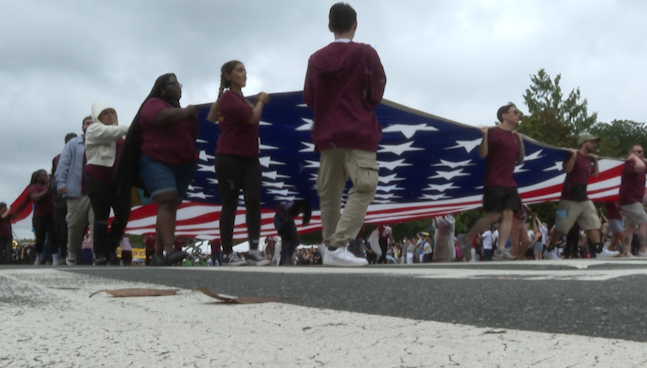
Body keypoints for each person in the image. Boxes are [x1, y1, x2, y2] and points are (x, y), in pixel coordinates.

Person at [304, 3, 386, 267]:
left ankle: (330, 245)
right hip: (358, 130)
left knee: (329, 192)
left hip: (327, 133)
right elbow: (375, 94)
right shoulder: (366, 53)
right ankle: (337, 245)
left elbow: (309, 98)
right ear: (355, 24)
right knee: (365, 185)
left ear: (329, 26)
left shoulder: (316, 59)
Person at [126, 73, 196, 266]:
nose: (179, 87)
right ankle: (170, 250)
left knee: (170, 205)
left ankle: (157, 254)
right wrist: (189, 112)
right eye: (174, 84)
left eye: (180, 84)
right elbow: (161, 118)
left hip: (183, 165)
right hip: (157, 161)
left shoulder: (180, 110)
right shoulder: (154, 104)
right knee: (167, 200)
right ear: (162, 89)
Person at [207, 60, 270, 267]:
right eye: (239, 70)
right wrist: (261, 100)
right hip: (229, 159)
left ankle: (253, 250)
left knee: (253, 201)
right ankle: (226, 252)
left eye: (245, 70)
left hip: (250, 159)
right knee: (230, 203)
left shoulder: (241, 100)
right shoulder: (228, 98)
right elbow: (252, 118)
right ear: (228, 75)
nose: (244, 74)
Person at [458, 103, 524, 261]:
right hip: (494, 181)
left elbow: (520, 159)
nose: (518, 115)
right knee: (494, 215)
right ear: (504, 116)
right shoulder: (494, 132)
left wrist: (520, 141)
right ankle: (466, 239)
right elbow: (483, 154)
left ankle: (500, 250)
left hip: (510, 182)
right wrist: (485, 136)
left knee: (509, 214)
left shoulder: (515, 137)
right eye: (515, 112)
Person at [85, 102, 131, 265]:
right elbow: (108, 133)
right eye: (105, 113)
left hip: (118, 179)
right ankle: (100, 253)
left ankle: (112, 246)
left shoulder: (121, 135)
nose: (110, 115)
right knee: (101, 217)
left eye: (112, 112)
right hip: (98, 177)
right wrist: (132, 127)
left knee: (124, 213)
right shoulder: (93, 130)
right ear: (97, 116)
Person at [546, 134, 603, 257]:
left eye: (595, 142)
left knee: (593, 221)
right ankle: (550, 248)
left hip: (583, 198)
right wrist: (573, 156)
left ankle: (599, 250)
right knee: (561, 227)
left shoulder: (587, 160)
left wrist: (596, 161)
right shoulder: (573, 155)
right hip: (568, 198)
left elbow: (596, 174)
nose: (594, 145)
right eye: (591, 142)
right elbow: (568, 169)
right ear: (583, 143)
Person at [55, 116, 95, 265]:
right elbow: (63, 164)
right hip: (76, 192)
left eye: (93, 123)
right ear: (82, 127)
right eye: (87, 123)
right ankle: (71, 251)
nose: (90, 125)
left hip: (96, 191)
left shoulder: (101, 142)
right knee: (75, 224)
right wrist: (60, 183)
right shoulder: (73, 143)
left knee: (96, 222)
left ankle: (97, 254)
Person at [51, 132, 77, 261]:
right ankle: (66, 253)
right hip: (63, 197)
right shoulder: (59, 158)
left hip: (74, 195)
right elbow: (56, 175)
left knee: (72, 226)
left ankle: (71, 252)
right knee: (64, 227)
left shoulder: (82, 154)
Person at [619, 144, 647, 257]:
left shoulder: (641, 163)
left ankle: (625, 252)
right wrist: (634, 158)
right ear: (631, 153)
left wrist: (640, 158)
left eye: (642, 152)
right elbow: (641, 166)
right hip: (630, 199)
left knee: (630, 226)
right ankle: (643, 250)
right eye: (638, 152)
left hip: (635, 199)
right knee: (644, 222)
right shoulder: (629, 165)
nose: (641, 153)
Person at [28, 170, 59, 265]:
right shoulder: (34, 187)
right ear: (38, 178)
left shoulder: (49, 187)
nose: (46, 177)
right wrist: (47, 190)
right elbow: (35, 197)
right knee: (40, 237)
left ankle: (55, 258)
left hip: (51, 215)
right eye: (44, 175)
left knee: (53, 236)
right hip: (39, 216)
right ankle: (39, 256)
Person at [274, 200, 312, 266]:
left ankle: (286, 258)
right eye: (301, 210)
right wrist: (284, 218)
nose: (300, 211)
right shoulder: (291, 204)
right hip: (280, 219)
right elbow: (279, 208)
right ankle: (285, 259)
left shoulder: (297, 210)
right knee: (286, 239)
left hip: (288, 220)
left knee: (295, 240)